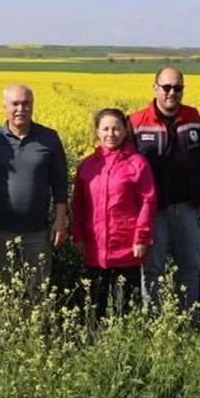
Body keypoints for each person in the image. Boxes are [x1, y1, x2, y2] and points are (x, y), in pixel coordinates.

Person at [128, 66, 200, 313]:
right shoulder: (136, 122)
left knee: (191, 268)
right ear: (155, 88)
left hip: (189, 207)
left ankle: (190, 321)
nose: (172, 93)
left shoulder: (194, 118)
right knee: (152, 269)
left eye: (178, 88)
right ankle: (154, 322)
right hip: (153, 212)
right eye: (166, 87)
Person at [0, 84, 69, 294]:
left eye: (26, 103)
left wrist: (60, 219)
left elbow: (60, 182)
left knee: (37, 291)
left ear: (33, 105)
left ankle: (37, 328)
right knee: (3, 292)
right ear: (4, 106)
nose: (21, 109)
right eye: (15, 104)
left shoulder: (49, 138)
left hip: (37, 231)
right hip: (0, 232)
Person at [71, 108, 157, 320]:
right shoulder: (87, 165)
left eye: (116, 129)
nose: (111, 134)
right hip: (94, 245)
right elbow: (79, 204)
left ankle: (121, 343)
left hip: (127, 247)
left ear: (125, 131)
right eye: (106, 129)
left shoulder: (138, 163)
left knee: (123, 304)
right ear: (97, 132)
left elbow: (148, 201)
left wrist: (142, 238)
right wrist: (78, 236)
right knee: (94, 302)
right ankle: (94, 342)